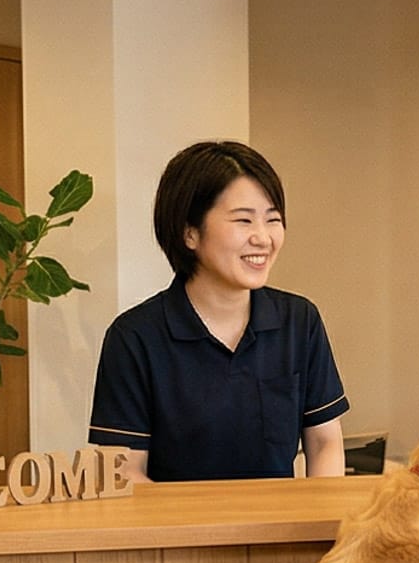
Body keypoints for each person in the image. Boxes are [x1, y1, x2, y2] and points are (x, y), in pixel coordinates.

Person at [88, 141, 349, 482]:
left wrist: (321, 523)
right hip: (176, 532)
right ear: (190, 232)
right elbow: (122, 471)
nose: (263, 238)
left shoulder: (300, 321)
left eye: (273, 220)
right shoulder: (135, 337)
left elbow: (324, 443)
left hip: (282, 532)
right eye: (244, 220)